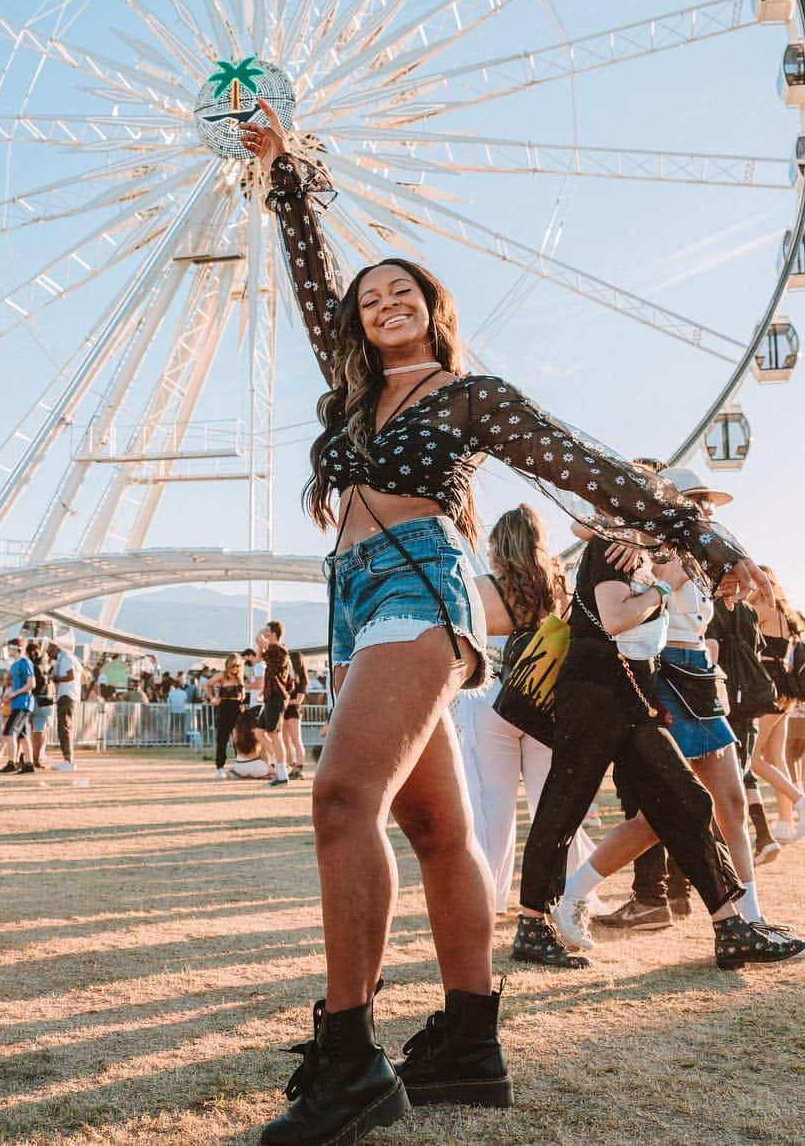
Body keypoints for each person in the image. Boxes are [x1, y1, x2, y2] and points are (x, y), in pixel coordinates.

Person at [243, 99, 775, 1144]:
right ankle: (466, 1043)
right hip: (351, 607)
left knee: (341, 799)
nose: (380, 300)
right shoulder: (353, 396)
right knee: (434, 828)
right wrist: (285, 176)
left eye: (402, 290)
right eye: (368, 295)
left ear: (432, 308)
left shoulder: (467, 396)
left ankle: (349, 1063)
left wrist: (701, 540)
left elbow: (579, 461)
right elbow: (309, 277)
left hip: (418, 594)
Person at [514, 524, 801, 974]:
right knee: (563, 805)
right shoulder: (613, 547)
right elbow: (613, 618)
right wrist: (667, 584)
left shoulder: (646, 554)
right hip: (594, 692)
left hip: (637, 695)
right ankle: (532, 923)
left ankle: (731, 926)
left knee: (688, 798)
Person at [455, 505, 603, 915]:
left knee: (491, 810)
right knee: (551, 808)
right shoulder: (559, 588)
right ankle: (570, 893)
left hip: (491, 700)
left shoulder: (484, 589)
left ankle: (486, 898)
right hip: (543, 700)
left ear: (498, 546)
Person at [752, 566, 805, 841]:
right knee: (776, 757)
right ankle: (786, 823)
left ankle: (799, 800)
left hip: (768, 687)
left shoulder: (762, 610)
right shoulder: (789, 615)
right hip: (786, 688)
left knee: (750, 758)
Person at [255, 620, 295, 786]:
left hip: (277, 697)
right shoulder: (272, 650)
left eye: (268, 631)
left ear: (272, 633)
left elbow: (259, 640)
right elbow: (258, 657)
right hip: (271, 696)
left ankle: (282, 774)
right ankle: (281, 764)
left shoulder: (278, 648)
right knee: (259, 731)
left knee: (274, 734)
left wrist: (261, 632)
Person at [0, 638, 36, 774]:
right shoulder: (14, 665)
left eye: (10, 648)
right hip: (17, 703)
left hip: (23, 703)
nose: (8, 650)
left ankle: (11, 763)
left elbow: (31, 684)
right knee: (22, 736)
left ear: (16, 649)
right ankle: (29, 764)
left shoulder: (25, 662)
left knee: (9, 732)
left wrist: (14, 694)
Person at [206, 653, 246, 777]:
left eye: (238, 665)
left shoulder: (240, 677)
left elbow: (243, 693)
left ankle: (239, 766)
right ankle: (220, 767)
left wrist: (242, 700)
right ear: (228, 664)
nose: (235, 667)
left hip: (238, 710)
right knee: (222, 739)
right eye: (233, 664)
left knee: (238, 740)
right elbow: (207, 685)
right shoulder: (221, 676)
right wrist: (213, 699)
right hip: (224, 708)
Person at [50, 642, 82, 770]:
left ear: (56, 649)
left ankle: (68, 761)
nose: (49, 655)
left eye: (50, 652)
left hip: (67, 696)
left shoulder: (66, 659)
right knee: (65, 728)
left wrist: (56, 678)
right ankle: (68, 759)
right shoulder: (70, 658)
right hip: (70, 695)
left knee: (64, 728)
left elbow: (70, 676)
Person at [26, 640, 54, 769]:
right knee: (40, 732)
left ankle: (30, 757)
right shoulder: (46, 663)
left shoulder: (29, 665)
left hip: (32, 699)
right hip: (45, 700)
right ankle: (36, 758)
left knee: (31, 731)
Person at [284, 651, 309, 781]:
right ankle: (290, 766)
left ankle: (299, 766)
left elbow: (298, 700)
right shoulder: (288, 677)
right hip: (285, 710)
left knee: (296, 740)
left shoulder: (302, 679)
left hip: (293, 711)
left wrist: (284, 701)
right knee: (286, 741)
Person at [226, 708, 272, 779]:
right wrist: (268, 766)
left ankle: (241, 774)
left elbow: (237, 751)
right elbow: (264, 753)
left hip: (240, 766)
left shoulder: (235, 731)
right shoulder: (257, 731)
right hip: (257, 766)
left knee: (230, 771)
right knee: (287, 769)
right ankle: (263, 775)